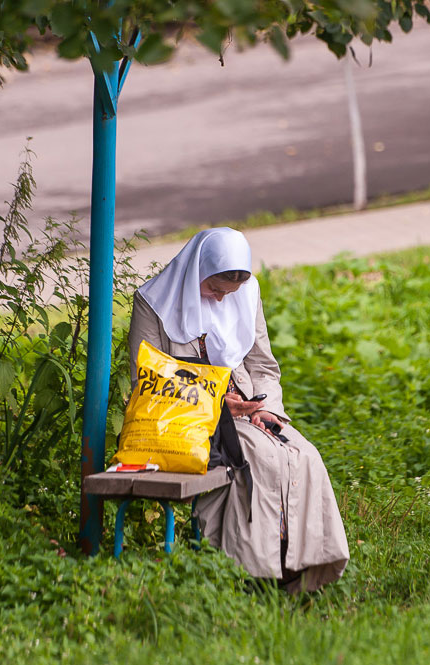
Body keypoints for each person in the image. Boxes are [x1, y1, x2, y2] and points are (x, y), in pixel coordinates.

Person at [127, 227, 349, 592]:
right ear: (196, 271)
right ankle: (254, 574)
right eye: (214, 289)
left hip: (246, 408)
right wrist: (213, 403)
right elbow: (145, 380)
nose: (220, 299)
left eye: (228, 293)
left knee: (304, 454)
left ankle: (303, 567)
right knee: (261, 457)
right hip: (184, 418)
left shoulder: (245, 294)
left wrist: (267, 409)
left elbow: (262, 364)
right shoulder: (153, 303)